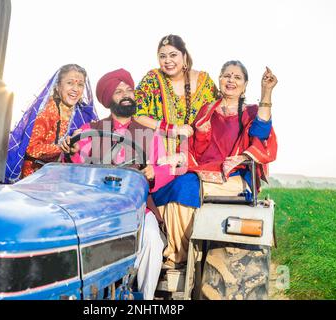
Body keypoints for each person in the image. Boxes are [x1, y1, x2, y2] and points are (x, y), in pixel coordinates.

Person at [61, 69, 176, 300]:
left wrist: (154, 172)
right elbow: (77, 165)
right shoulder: (89, 130)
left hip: (138, 207)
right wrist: (72, 152)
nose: (126, 95)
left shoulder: (150, 134)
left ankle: (145, 298)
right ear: (107, 100)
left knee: (152, 238)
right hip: (96, 208)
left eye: (129, 90)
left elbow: (166, 169)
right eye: (118, 91)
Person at [152, 61, 278, 268]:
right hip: (201, 172)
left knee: (184, 186)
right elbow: (192, 149)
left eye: (237, 77)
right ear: (219, 79)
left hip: (234, 176)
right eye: (226, 75)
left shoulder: (252, 112)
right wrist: (177, 157)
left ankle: (177, 258)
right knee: (161, 188)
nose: (231, 80)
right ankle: (171, 246)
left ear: (245, 86)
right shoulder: (206, 111)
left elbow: (261, 132)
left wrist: (266, 92)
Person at [4, 64, 98, 183]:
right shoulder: (47, 111)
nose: (75, 89)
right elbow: (30, 148)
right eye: (70, 83)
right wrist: (61, 147)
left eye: (80, 84)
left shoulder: (84, 114)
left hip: (67, 177)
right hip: (36, 178)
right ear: (58, 86)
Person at [135, 34, 218, 154]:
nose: (167, 61)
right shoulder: (152, 79)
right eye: (162, 56)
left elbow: (218, 114)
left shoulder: (204, 82)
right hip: (160, 155)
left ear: (184, 56)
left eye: (173, 55)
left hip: (197, 153)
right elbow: (136, 114)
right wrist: (173, 129)